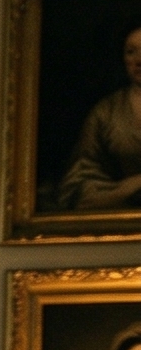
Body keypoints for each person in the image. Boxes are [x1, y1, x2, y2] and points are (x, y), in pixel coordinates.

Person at [54, 25, 141, 212]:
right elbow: (79, 180)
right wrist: (130, 187)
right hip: (119, 205)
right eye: (131, 52)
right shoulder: (106, 111)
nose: (139, 60)